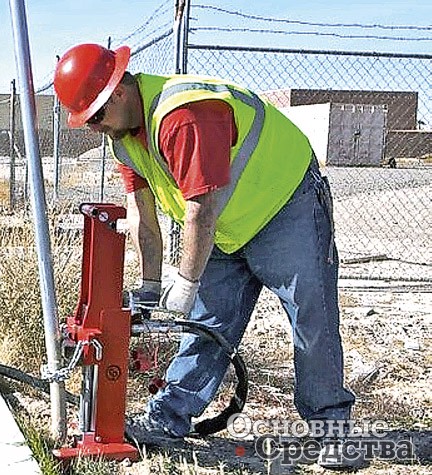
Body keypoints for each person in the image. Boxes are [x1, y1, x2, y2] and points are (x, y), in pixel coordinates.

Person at [53, 43, 359, 469]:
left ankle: (333, 430)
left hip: (286, 206)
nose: (95, 128)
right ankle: (167, 418)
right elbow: (144, 217)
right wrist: (150, 287)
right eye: (87, 122)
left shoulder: (182, 115)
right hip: (228, 225)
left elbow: (200, 210)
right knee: (206, 325)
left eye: (98, 116)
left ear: (119, 91)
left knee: (312, 320)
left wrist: (187, 281)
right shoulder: (125, 140)